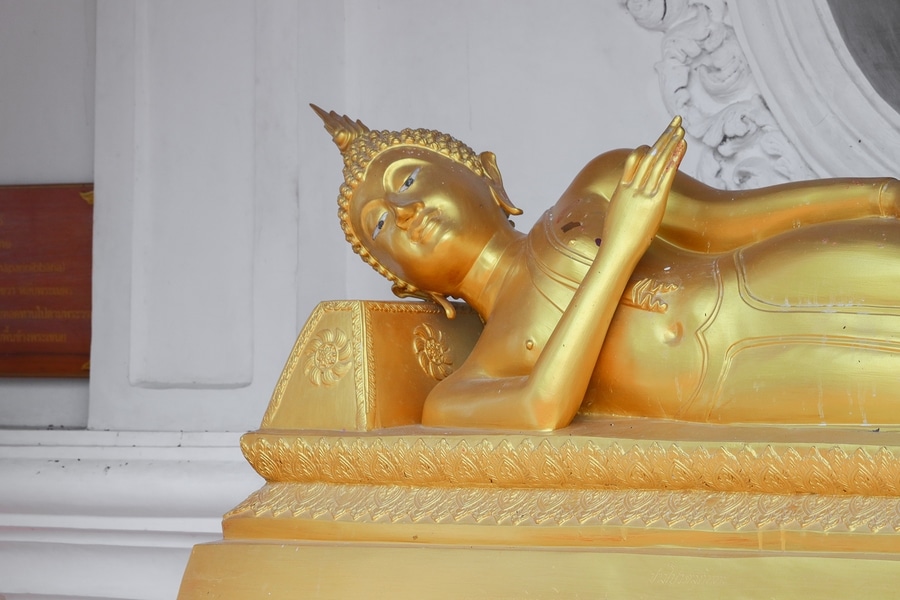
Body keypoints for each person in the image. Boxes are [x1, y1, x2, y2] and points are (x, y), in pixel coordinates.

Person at [313, 104, 900, 431]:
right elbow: (543, 408)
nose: (405, 210)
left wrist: (879, 196)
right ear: (404, 283)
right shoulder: (465, 387)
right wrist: (620, 248)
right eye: (380, 225)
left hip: (765, 276)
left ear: (485, 175)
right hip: (756, 380)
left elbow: (738, 217)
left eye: (407, 179)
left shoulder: (599, 183)